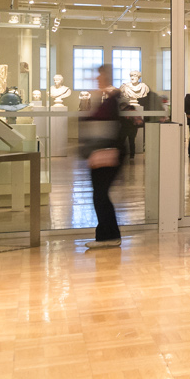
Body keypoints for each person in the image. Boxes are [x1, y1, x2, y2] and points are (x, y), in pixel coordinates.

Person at [78, 65, 124, 249]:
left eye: (99, 76)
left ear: (106, 77)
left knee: (100, 195)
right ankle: (107, 235)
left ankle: (108, 236)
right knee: (100, 195)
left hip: (108, 153)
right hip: (104, 153)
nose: (97, 79)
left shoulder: (113, 100)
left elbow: (104, 123)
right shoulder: (108, 99)